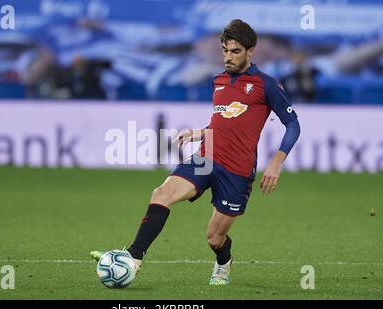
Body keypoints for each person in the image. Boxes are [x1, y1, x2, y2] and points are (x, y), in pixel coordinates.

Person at [91, 19, 301, 285]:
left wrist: (276, 162)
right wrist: (200, 133)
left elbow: (293, 124)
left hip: (237, 170)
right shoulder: (219, 81)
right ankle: (133, 257)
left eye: (235, 51)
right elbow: (223, 120)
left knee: (214, 238)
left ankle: (224, 261)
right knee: (161, 193)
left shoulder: (266, 84)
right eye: (225, 50)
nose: (227, 57)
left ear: (250, 52)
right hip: (206, 157)